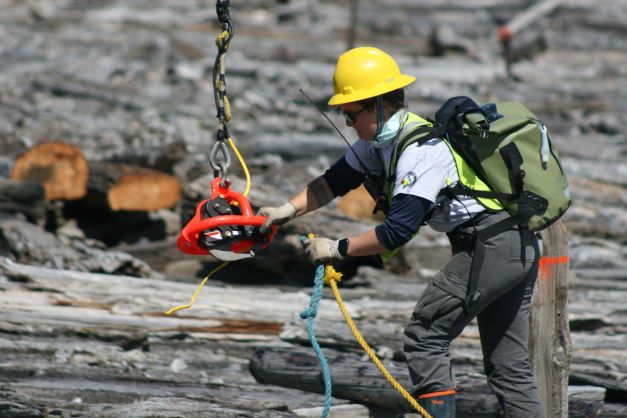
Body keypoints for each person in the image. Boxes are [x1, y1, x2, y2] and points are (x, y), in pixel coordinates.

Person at [258, 46, 543, 418]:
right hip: (516, 246)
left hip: (489, 246)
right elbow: (332, 183)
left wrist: (337, 248)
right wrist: (286, 210)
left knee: (425, 336)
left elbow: (397, 232)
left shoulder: (422, 150)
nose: (348, 124)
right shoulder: (378, 145)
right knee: (509, 367)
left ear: (377, 105)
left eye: (351, 114)